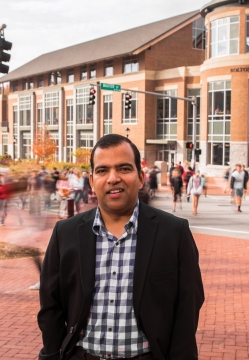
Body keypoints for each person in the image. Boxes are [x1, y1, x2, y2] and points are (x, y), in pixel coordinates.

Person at [37, 134, 204, 360]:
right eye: (102, 170)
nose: (113, 178)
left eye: (124, 168)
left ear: (141, 177)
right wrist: (51, 354)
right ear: (92, 180)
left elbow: (188, 308)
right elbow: (51, 305)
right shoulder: (65, 233)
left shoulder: (174, 233)